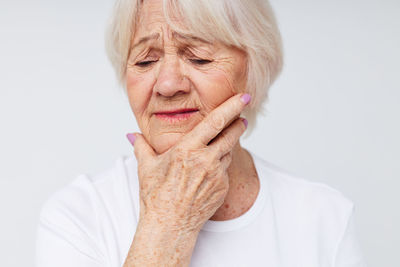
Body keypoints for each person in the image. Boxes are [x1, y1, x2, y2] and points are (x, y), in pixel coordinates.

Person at [35, 0, 367, 266]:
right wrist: (169, 220)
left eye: (199, 57)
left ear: (255, 67)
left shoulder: (325, 216)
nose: (167, 85)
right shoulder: (78, 214)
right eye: (146, 61)